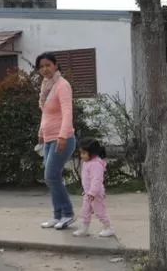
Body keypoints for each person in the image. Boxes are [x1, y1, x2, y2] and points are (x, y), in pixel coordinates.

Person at [36, 52, 76, 230]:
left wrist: (62, 135)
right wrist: (41, 132)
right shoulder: (46, 85)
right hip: (48, 139)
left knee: (51, 175)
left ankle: (67, 213)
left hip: (63, 138)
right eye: (41, 66)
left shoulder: (62, 85)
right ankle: (57, 215)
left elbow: (67, 112)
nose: (45, 69)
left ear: (55, 65)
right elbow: (46, 112)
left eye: (48, 65)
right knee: (52, 178)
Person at [73, 138, 115, 238]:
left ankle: (108, 228)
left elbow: (97, 180)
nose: (81, 155)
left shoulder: (96, 164)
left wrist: (92, 192)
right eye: (80, 153)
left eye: (84, 153)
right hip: (88, 193)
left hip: (96, 194)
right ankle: (84, 229)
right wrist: (88, 192)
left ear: (92, 153)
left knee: (100, 211)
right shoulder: (87, 162)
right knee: (85, 211)